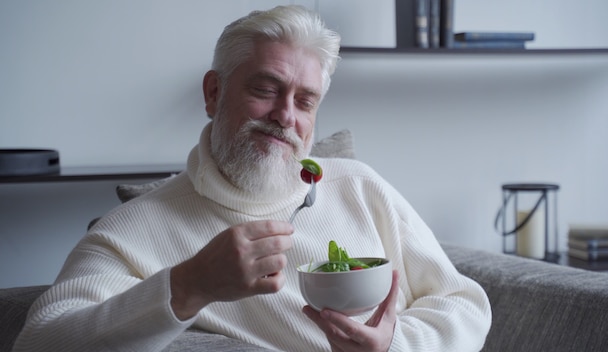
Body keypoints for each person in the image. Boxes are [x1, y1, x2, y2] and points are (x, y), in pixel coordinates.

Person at [13, 5, 491, 352]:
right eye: (265, 89)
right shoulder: (133, 229)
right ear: (213, 92)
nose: (285, 116)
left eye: (305, 102)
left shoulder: (359, 187)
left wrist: (394, 345)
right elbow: (39, 340)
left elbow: (464, 302)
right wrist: (192, 284)